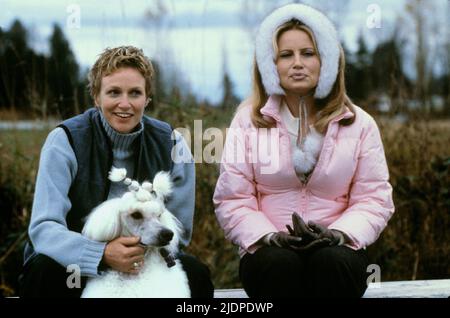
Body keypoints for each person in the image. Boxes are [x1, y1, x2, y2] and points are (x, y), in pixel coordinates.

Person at [213, 4, 395, 298]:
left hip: (339, 251)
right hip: (267, 252)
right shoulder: (247, 122)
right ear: (270, 65)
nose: (297, 63)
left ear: (328, 61)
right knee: (279, 265)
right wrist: (270, 237)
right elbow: (233, 198)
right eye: (286, 55)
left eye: (308, 53)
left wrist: (338, 234)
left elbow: (374, 197)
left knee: (330, 262)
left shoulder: (360, 124)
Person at [19, 46, 214, 298]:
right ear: (96, 97)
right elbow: (44, 227)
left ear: (147, 99)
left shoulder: (173, 143)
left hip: (148, 258)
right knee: (45, 272)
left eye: (135, 93)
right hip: (73, 262)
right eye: (113, 92)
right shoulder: (64, 140)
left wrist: (136, 252)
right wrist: (100, 254)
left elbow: (179, 231)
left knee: (197, 275)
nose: (125, 103)